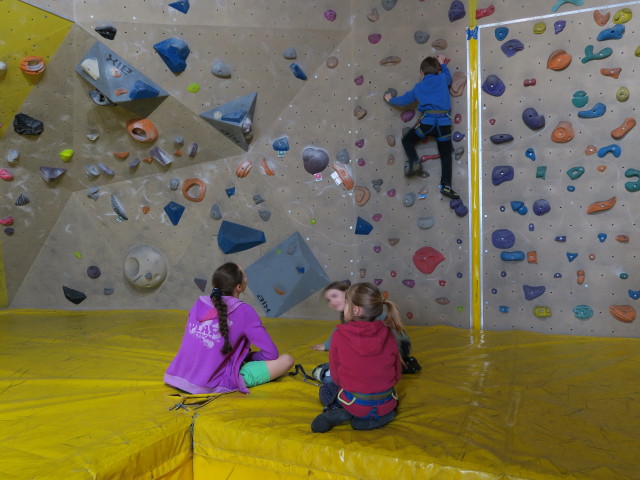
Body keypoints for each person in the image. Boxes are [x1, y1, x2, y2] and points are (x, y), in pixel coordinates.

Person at [164, 262, 294, 394]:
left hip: (177, 376)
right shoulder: (244, 311)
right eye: (244, 274)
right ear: (238, 287)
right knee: (287, 360)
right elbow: (271, 353)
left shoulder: (199, 302)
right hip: (210, 384)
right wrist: (248, 357)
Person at [311, 282, 403, 433]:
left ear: (355, 309)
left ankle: (337, 411)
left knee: (327, 388)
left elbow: (336, 376)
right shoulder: (389, 333)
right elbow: (397, 372)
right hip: (387, 403)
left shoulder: (339, 335)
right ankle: (380, 416)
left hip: (355, 403)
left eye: (346, 303)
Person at [384, 54, 460, 200]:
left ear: (421, 73)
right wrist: (442, 63)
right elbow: (448, 77)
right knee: (445, 156)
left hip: (427, 124)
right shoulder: (443, 78)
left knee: (407, 140)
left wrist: (390, 99)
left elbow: (403, 100)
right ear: (437, 70)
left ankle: (414, 162)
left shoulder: (419, 87)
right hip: (443, 125)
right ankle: (446, 186)